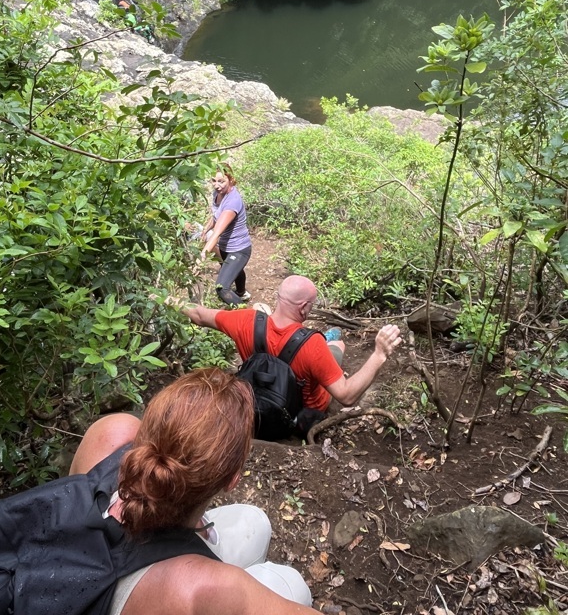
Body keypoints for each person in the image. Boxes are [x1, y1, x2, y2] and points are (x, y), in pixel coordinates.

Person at [69, 368, 314, 615]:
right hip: (154, 585)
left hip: (69, 577)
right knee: (294, 586)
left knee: (256, 522)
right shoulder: (199, 590)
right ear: (232, 481)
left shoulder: (111, 431)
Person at [180, 275, 402, 411]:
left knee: (323, 348)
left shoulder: (244, 320)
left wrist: (165, 299)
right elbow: (346, 396)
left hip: (259, 398)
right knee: (337, 346)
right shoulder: (312, 345)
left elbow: (199, 315)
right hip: (304, 411)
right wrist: (379, 354)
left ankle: (330, 341)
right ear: (304, 308)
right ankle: (332, 341)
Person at [200, 165, 252, 306]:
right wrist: (206, 228)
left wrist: (202, 256)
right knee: (234, 269)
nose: (217, 185)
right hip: (226, 246)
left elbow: (217, 232)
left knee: (222, 288)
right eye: (213, 181)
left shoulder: (232, 201)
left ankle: (244, 314)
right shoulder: (217, 194)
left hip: (239, 249)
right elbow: (216, 215)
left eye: (221, 181)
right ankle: (242, 293)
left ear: (230, 179)